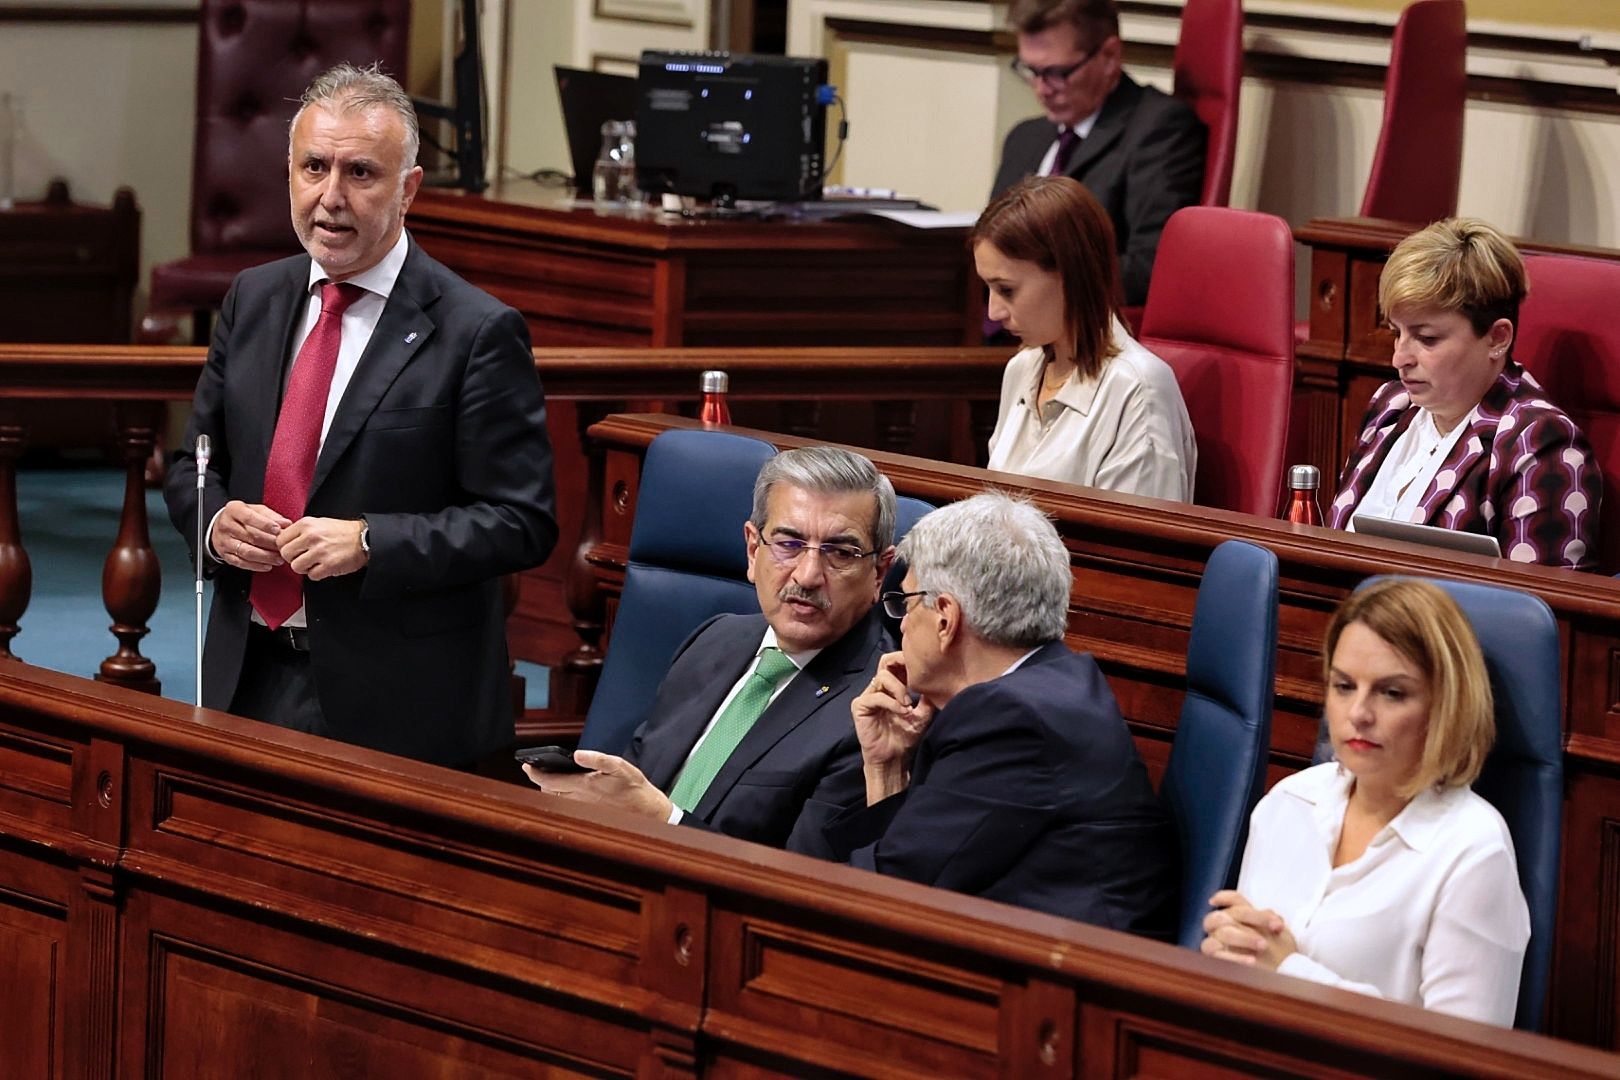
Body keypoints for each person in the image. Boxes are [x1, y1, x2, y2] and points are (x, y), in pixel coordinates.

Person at [164, 63, 557, 767]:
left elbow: (521, 522)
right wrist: (219, 523)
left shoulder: (476, 332)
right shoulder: (252, 300)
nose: (330, 198)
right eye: (314, 167)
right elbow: (191, 468)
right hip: (245, 671)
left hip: (397, 707)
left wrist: (372, 542)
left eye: (360, 174)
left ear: (407, 190)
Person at [787, 491, 1177, 936]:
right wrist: (887, 767)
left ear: (945, 619)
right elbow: (905, 875)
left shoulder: (1012, 722)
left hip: (1065, 983)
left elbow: (887, 892)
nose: (901, 625)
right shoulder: (1052, 681)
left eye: (907, 604)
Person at [525, 447, 895, 848]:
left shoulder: (874, 713)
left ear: (878, 572)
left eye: (840, 553)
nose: (807, 576)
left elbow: (805, 879)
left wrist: (661, 821)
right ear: (753, 551)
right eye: (789, 543)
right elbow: (638, 773)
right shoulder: (714, 640)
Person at [1202, 579, 1529, 1027]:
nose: (1358, 713)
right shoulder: (1286, 803)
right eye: (1343, 686)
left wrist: (1291, 973)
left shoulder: (1474, 852)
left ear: (1445, 705)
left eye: (1391, 692)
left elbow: (1465, 1060)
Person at [1327, 217, 1602, 571]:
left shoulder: (1539, 444)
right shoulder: (1390, 407)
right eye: (1397, 332)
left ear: (1497, 338)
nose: (1399, 358)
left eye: (1427, 339)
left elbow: (1540, 613)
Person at [973, 175, 1195, 501]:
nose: (993, 312)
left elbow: (1140, 546)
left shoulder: (1139, 388)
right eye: (987, 289)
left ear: (1070, 275)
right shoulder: (1022, 368)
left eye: (1007, 290)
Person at [991, 0, 1205, 306]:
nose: (1042, 89)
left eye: (1057, 72)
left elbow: (1150, 268)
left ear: (1109, 56)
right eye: (1030, 70)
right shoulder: (1025, 137)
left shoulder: (1158, 130)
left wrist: (1033, 285)